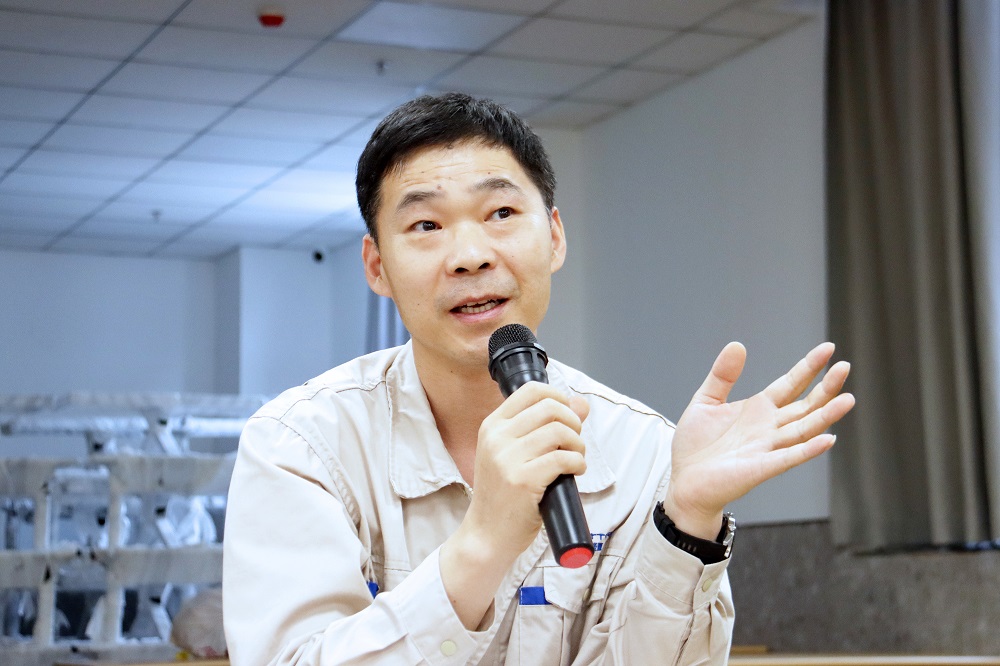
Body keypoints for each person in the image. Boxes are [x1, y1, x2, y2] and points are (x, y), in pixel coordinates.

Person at [222, 92, 854, 665]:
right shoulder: (301, 445)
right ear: (376, 266)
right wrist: (483, 542)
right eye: (426, 226)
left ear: (553, 237)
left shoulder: (644, 451)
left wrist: (687, 521)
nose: (471, 256)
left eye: (501, 212)